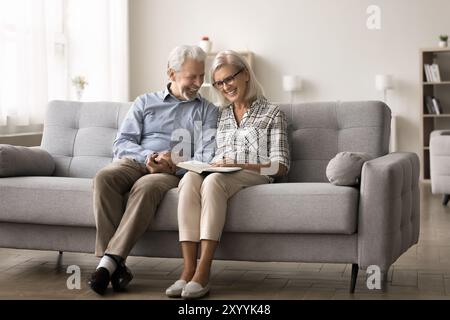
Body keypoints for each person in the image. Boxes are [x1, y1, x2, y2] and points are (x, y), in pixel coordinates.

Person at [88, 45, 218, 295]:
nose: (199, 82)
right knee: (104, 177)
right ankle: (117, 264)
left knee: (145, 187)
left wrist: (173, 162)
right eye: (192, 76)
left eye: (202, 76)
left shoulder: (208, 110)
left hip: (170, 172)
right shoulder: (145, 102)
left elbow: (206, 154)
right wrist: (150, 155)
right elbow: (122, 143)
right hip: (136, 162)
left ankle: (107, 264)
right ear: (171, 73)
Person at [166, 50, 290, 299]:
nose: (225, 87)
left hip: (254, 173)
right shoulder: (221, 115)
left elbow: (280, 166)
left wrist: (241, 165)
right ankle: (187, 269)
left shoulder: (272, 113)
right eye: (219, 83)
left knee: (213, 181)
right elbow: (211, 154)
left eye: (229, 79)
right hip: (221, 169)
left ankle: (203, 270)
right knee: (190, 178)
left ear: (245, 74)